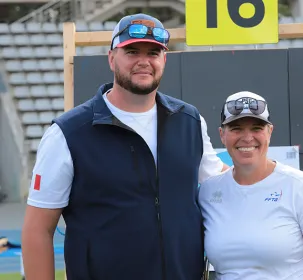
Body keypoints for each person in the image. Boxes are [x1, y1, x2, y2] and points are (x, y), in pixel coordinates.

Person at [21, 13, 229, 280]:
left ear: (164, 59)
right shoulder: (68, 134)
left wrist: (280, 180)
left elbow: (222, 181)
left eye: (153, 52)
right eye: (132, 51)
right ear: (111, 58)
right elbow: (37, 229)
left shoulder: (189, 122)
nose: (144, 61)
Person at [198, 91, 303, 280]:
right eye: (236, 128)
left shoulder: (300, 187)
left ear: (270, 132)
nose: (247, 137)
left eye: (256, 128)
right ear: (222, 134)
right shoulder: (209, 192)